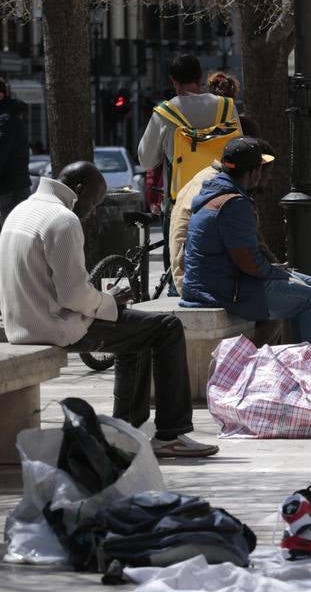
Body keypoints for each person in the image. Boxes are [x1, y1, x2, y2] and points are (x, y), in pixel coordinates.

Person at [0, 162, 217, 457]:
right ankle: (171, 434)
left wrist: (106, 304)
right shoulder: (62, 220)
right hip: (56, 325)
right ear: (79, 190)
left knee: (139, 331)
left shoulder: (21, 210)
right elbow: (73, 295)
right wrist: (109, 301)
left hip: (22, 324)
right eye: (95, 201)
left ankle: (123, 429)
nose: (94, 210)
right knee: (167, 327)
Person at [182, 138, 311, 346]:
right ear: (253, 172)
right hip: (219, 290)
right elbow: (249, 263)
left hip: (218, 282)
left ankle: (299, 361)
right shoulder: (234, 204)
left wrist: (276, 271)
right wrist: (277, 273)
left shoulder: (215, 192)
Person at [138, 55, 240, 286]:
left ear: (173, 81)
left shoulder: (165, 113)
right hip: (223, 198)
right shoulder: (226, 108)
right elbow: (239, 147)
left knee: (180, 272)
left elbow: (145, 160)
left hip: (179, 203)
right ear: (200, 78)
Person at [0, 77, 30, 226]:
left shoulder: (5, 120)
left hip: (7, 187)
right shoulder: (12, 116)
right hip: (16, 184)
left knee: (8, 232)